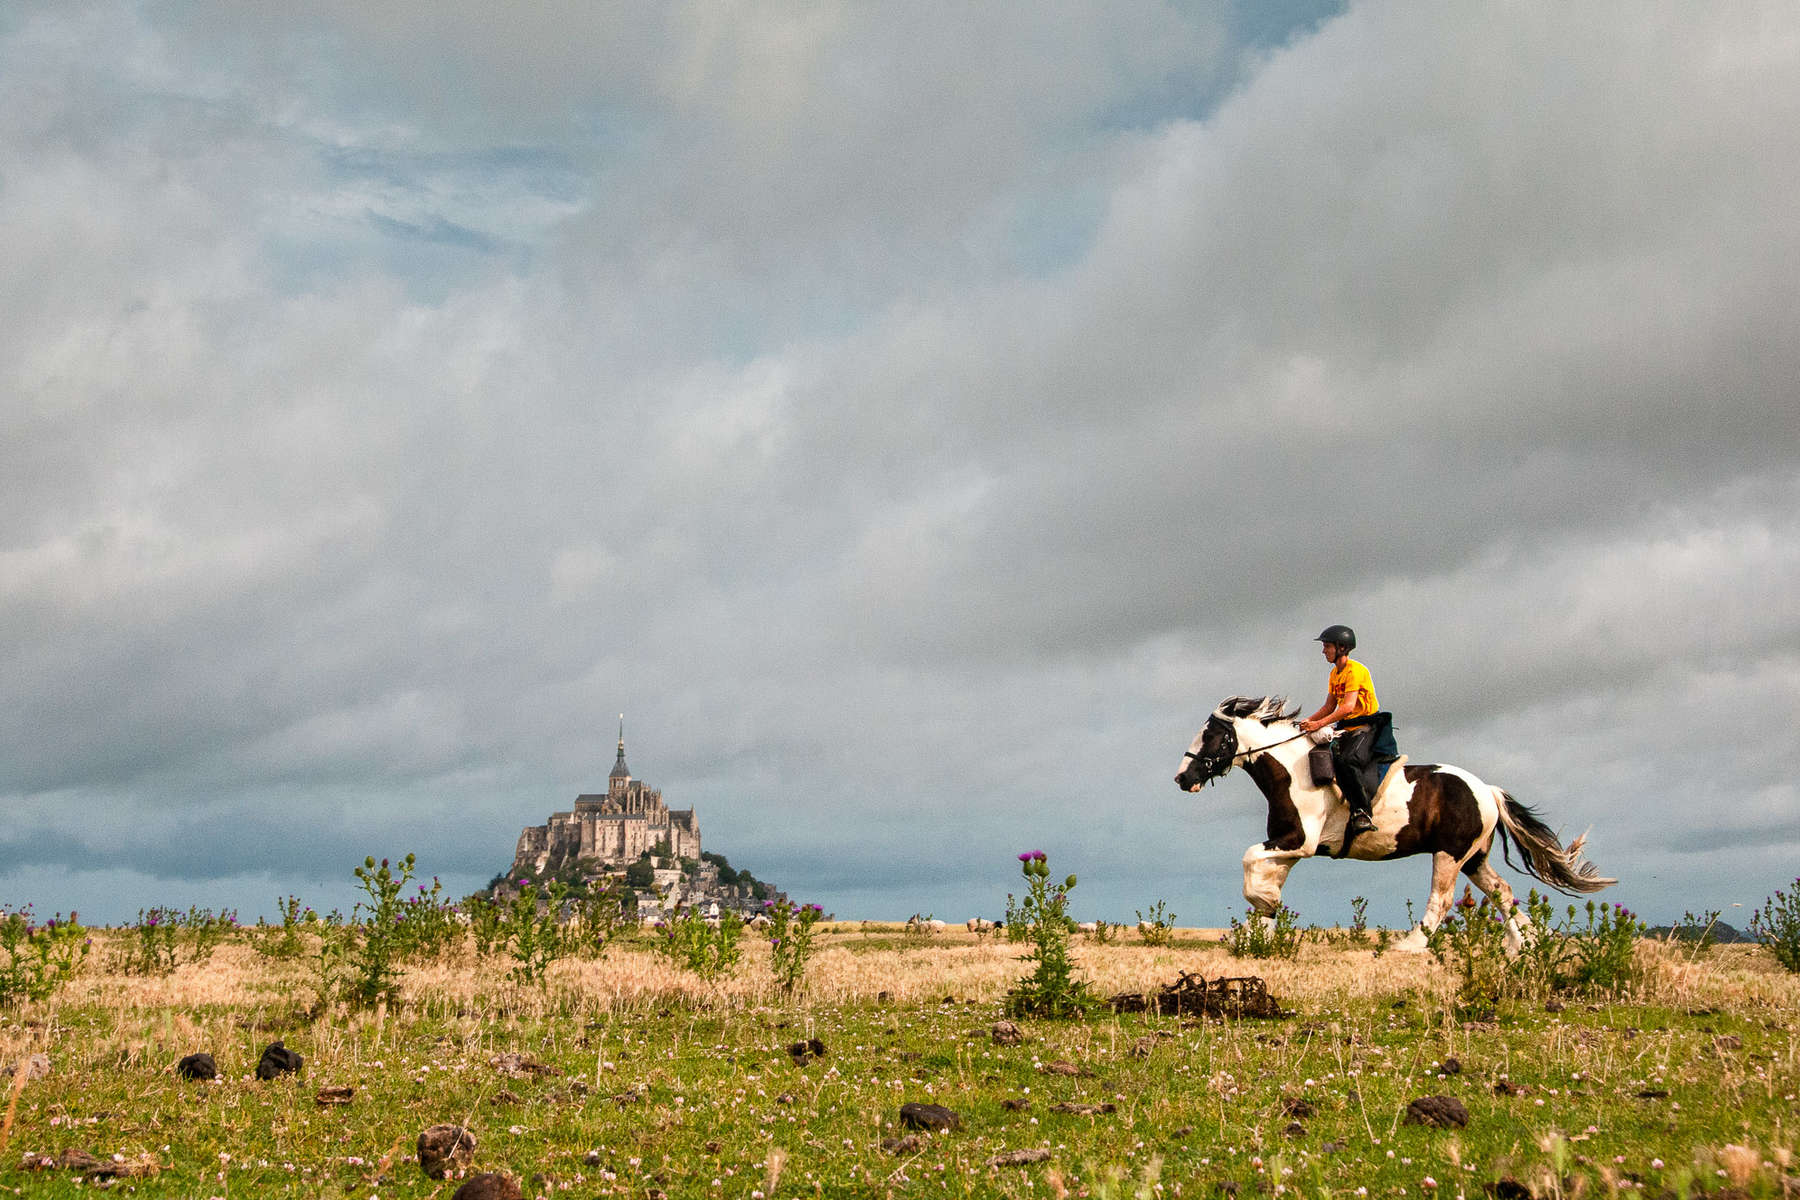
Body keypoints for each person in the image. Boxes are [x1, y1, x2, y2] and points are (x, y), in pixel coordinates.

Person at [1297, 624, 1395, 844]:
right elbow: (1329, 705)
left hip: (1365, 727)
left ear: (1341, 647)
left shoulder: (1356, 671)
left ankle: (1363, 812)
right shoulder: (1335, 673)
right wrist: (1308, 722)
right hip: (1346, 728)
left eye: (1327, 646)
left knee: (1348, 760)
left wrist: (1319, 723)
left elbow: (1348, 707)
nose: (1324, 651)